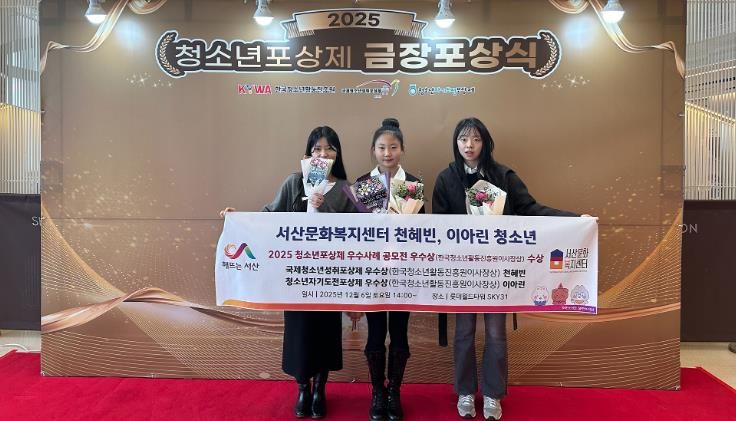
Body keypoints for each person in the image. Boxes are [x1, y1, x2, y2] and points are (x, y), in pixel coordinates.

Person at [432, 117, 585, 421]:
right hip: (462, 270)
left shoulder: (503, 175)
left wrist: (573, 219)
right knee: (463, 332)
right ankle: (465, 391)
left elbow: (530, 209)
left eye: (475, 139)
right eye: (463, 139)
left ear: (485, 142)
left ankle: (492, 394)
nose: (469, 145)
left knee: (495, 333)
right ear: (455, 143)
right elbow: (438, 225)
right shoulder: (446, 178)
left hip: (498, 268)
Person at [221, 126, 355, 419]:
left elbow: (359, 230)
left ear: (338, 154)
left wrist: (325, 209)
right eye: (317, 149)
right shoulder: (294, 182)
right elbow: (268, 216)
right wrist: (238, 219)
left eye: (330, 149)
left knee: (325, 332)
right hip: (294, 275)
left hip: (329, 277)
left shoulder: (347, 188)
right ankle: (303, 388)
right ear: (307, 154)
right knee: (300, 333)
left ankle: (320, 388)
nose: (323, 154)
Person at [354, 118, 424, 421]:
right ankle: (377, 392)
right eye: (382, 147)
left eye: (393, 147)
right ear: (373, 150)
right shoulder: (364, 183)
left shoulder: (411, 184)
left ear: (402, 149)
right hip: (372, 270)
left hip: (403, 270)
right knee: (375, 332)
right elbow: (354, 232)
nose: (387, 153)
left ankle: (395, 391)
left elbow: (424, 231)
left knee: (399, 331)